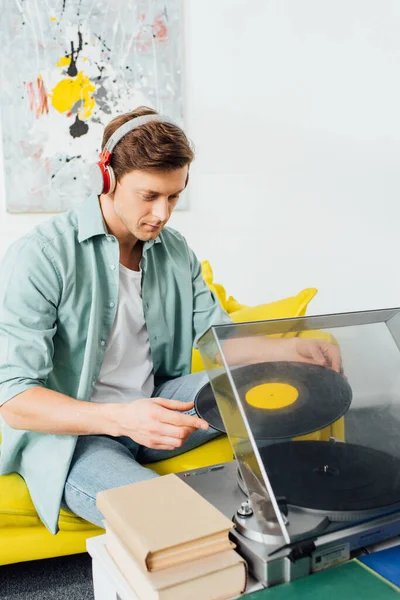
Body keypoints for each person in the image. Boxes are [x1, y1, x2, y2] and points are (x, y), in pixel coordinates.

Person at [0, 106, 341, 532]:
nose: (162, 213)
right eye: (149, 196)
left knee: (274, 379)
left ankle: (298, 509)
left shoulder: (173, 249)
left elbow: (215, 337)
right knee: (172, 520)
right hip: (76, 437)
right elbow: (14, 398)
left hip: (159, 403)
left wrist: (287, 349)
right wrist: (124, 418)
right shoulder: (41, 256)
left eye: (174, 196)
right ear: (108, 179)